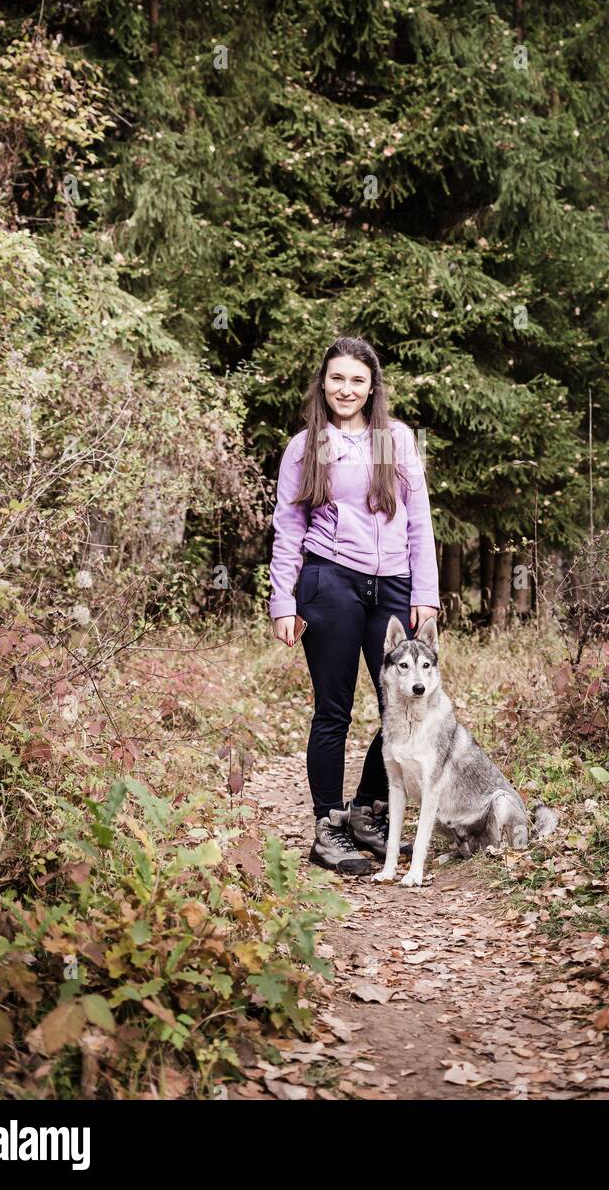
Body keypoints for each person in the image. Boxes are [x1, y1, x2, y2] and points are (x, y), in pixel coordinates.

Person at [269, 336, 440, 875]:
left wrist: (426, 595)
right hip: (329, 582)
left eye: (357, 380)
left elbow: (418, 520)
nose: (347, 389)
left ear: (372, 387)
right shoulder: (307, 446)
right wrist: (282, 600)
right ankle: (327, 826)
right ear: (324, 382)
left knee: (398, 704)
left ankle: (366, 811)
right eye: (337, 378)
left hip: (392, 584)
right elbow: (288, 526)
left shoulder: (395, 440)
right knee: (333, 711)